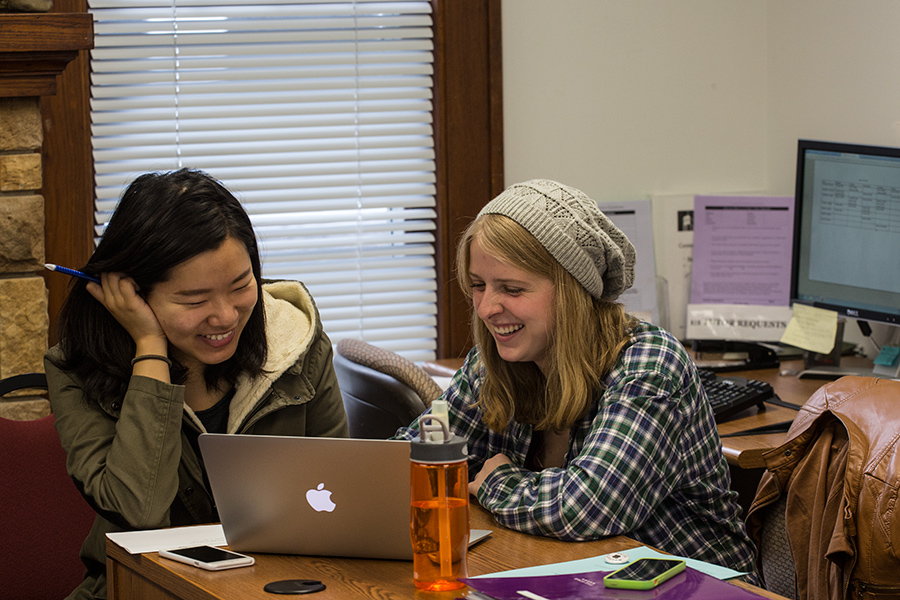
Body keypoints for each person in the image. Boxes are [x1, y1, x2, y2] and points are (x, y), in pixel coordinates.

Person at [395, 179, 758, 578]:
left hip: (697, 585)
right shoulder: (493, 363)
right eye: (478, 286)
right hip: (581, 577)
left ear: (571, 290)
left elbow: (587, 508)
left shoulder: (650, 363)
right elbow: (404, 461)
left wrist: (496, 481)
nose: (485, 308)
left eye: (512, 289)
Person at [46, 169, 349, 600]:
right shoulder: (80, 367)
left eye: (241, 286)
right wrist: (149, 348)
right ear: (133, 292)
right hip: (137, 589)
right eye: (194, 300)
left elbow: (338, 493)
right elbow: (140, 510)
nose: (225, 316)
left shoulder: (294, 341)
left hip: (279, 585)